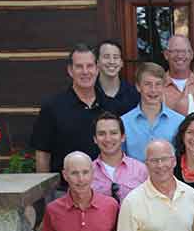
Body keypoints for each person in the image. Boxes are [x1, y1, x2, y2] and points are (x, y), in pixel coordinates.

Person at [31, 43, 107, 176]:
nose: (85, 71)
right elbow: (43, 153)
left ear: (97, 69)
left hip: (104, 189)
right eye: (79, 66)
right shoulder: (52, 107)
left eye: (89, 66)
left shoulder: (109, 106)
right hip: (64, 190)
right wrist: (45, 192)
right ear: (70, 71)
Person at [121, 62, 185, 160]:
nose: (153, 90)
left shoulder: (179, 122)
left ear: (164, 87)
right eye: (148, 84)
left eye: (158, 84)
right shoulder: (124, 122)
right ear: (138, 87)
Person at [91, 111, 148, 202]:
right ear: (95, 139)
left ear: (123, 137)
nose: (108, 139)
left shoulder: (141, 170)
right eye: (102, 134)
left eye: (113, 133)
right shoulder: (87, 172)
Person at [95, 40, 140, 116]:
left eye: (116, 57)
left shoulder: (134, 94)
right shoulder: (89, 93)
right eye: (106, 57)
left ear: (121, 63)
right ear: (97, 62)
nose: (112, 61)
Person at [162, 35, 194, 111]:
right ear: (166, 55)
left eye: (184, 51)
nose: (180, 56)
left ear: (191, 55)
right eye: (175, 51)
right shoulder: (156, 85)